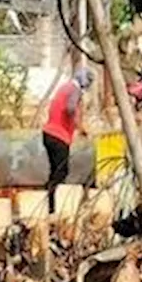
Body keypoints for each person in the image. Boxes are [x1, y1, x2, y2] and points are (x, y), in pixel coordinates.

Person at [42, 68, 94, 214]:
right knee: (62, 172)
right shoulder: (75, 90)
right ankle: (52, 205)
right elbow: (70, 108)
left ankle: (49, 205)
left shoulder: (64, 87)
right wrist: (80, 126)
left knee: (55, 172)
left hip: (48, 134)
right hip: (59, 136)